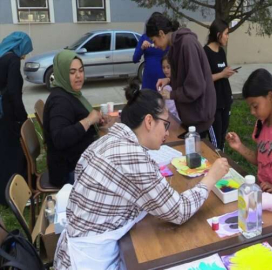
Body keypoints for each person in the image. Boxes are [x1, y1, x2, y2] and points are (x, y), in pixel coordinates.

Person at [54, 89, 230, 269]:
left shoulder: (106, 140)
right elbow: (178, 211)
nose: (167, 134)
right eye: (165, 125)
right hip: (89, 260)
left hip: (76, 247)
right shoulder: (131, 155)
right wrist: (211, 177)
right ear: (148, 121)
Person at [147, 13, 216, 138]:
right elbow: (184, 78)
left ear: (161, 33)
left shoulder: (187, 44)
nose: (155, 45)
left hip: (200, 117)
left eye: (154, 41)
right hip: (190, 119)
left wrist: (172, 94)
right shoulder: (174, 47)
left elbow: (195, 86)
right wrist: (168, 80)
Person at [43, 50, 105, 187]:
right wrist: (88, 121)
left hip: (76, 162)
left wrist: (93, 120)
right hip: (68, 172)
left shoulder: (70, 93)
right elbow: (60, 138)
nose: (78, 76)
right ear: (63, 74)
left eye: (81, 71)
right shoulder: (60, 101)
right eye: (72, 72)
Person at [0, 31, 33, 205]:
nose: (26, 54)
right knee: (15, 153)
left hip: (2, 113)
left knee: (4, 152)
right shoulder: (12, 60)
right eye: (26, 49)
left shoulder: (2, 57)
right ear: (20, 45)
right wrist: (22, 117)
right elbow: (13, 92)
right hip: (8, 113)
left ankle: (4, 193)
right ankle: (17, 195)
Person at [204, 19, 236, 150]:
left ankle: (222, 161)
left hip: (225, 98)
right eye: (226, 34)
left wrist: (227, 72)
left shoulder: (222, 51)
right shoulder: (205, 52)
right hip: (213, 103)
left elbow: (221, 71)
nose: (228, 37)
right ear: (218, 35)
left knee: (223, 134)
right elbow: (203, 79)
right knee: (215, 138)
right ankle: (215, 162)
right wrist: (222, 74)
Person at [133, 12, 168, 90]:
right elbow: (135, 59)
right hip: (148, 78)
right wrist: (142, 47)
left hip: (163, 76)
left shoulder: (165, 39)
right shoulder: (144, 37)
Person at [161, 55, 179, 119]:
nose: (165, 70)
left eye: (168, 67)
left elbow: (171, 109)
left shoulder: (169, 87)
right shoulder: (165, 84)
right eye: (163, 68)